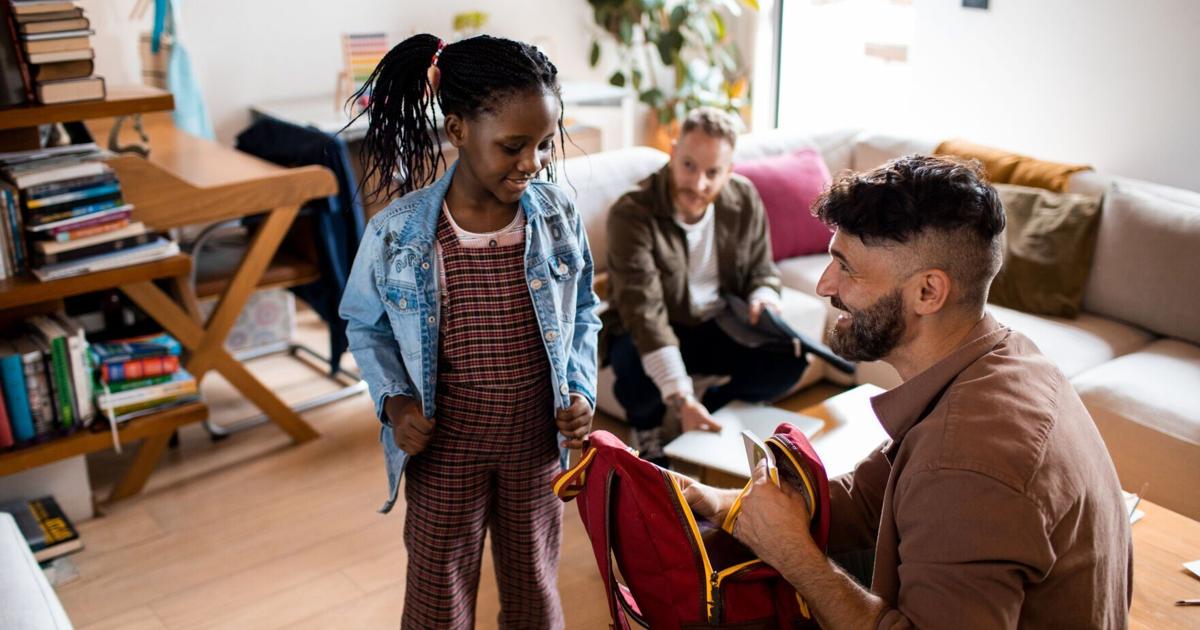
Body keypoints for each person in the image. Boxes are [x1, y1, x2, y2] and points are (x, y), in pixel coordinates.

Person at [678, 155, 1132, 628]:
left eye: (847, 267)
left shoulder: (966, 462)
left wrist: (792, 553)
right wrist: (727, 504)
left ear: (928, 292)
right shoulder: (998, 358)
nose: (824, 285)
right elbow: (868, 498)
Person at [338, 34, 600, 629]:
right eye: (513, 146)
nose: (532, 162)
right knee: (438, 596)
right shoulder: (399, 232)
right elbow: (365, 324)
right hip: (443, 450)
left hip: (536, 447)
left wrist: (582, 388)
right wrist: (395, 402)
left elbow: (584, 309)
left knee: (534, 590)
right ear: (457, 129)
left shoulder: (558, 216)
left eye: (544, 143)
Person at [605, 107, 806, 464]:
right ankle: (648, 428)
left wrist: (763, 296)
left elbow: (762, 269)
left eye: (713, 173)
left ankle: (714, 407)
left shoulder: (743, 198)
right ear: (672, 153)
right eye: (688, 166)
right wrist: (680, 396)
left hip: (718, 322)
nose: (698, 184)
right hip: (655, 325)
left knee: (790, 358)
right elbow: (645, 314)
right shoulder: (631, 213)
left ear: (728, 171)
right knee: (630, 362)